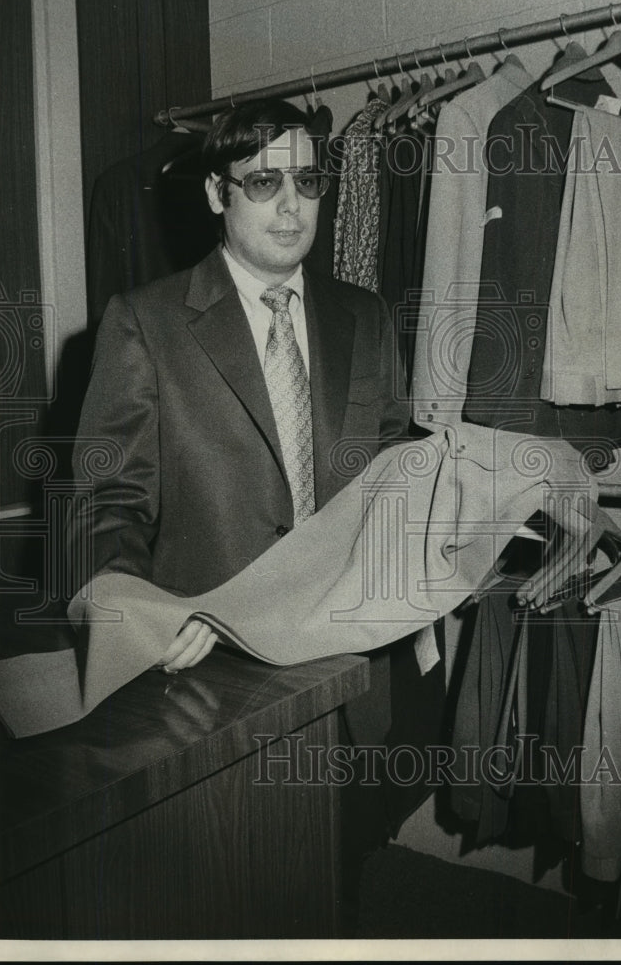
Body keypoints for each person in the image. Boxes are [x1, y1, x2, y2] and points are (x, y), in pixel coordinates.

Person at [70, 99, 410, 670]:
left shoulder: (365, 314)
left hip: (353, 651)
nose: (290, 204)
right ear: (215, 193)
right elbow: (107, 503)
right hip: (209, 662)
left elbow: (394, 459)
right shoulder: (146, 323)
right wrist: (137, 618)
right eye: (261, 182)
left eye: (307, 180)